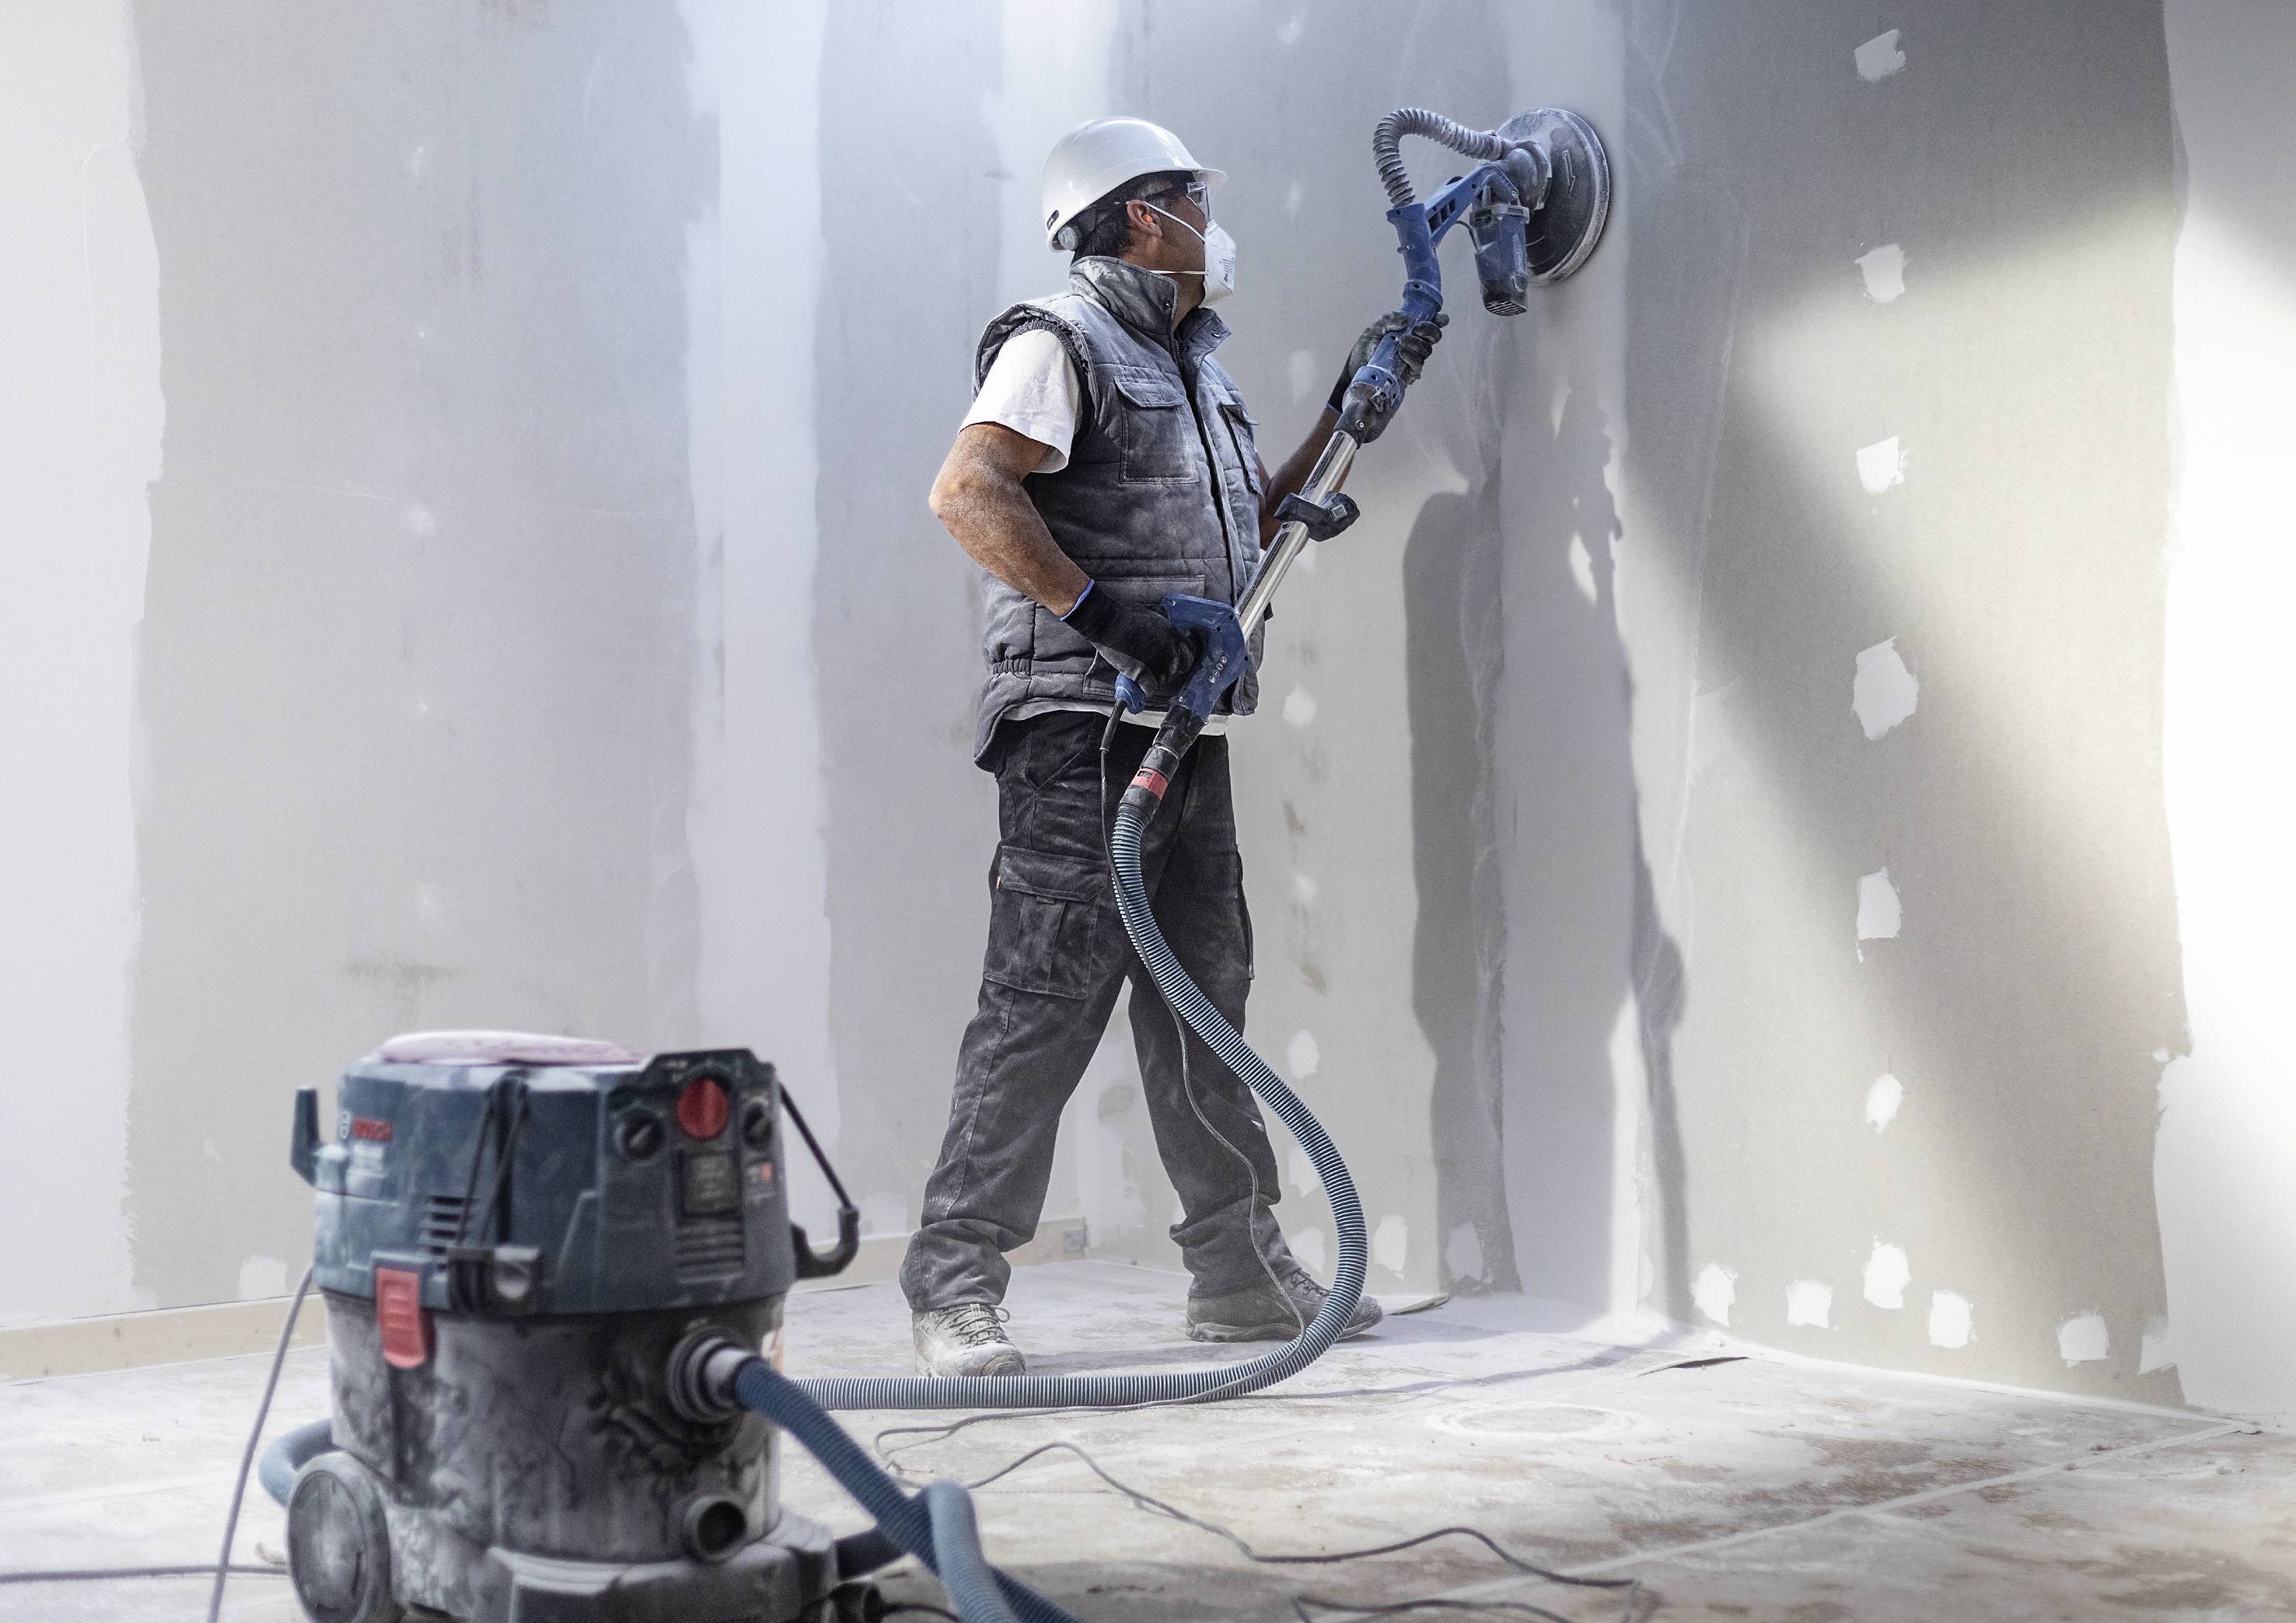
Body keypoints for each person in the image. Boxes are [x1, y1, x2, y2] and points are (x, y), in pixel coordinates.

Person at [900, 116, 1444, 1376]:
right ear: (1145, 215)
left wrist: (1344, 416)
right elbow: (968, 494)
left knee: (1203, 1002)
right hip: (1081, 735)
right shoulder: (1059, 340)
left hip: (1179, 726)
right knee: (1041, 1007)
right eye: (1197, 201)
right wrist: (1109, 620)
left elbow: (1234, 516)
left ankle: (1240, 1281)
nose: (1212, 224)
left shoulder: (1199, 365)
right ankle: (952, 1285)